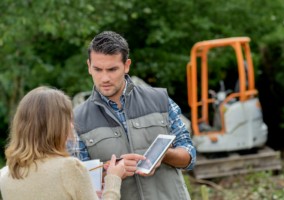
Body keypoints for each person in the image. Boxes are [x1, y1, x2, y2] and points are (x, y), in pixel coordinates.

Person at [72, 31, 196, 200]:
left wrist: (164, 155)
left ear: (127, 65)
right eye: (98, 69)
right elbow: (76, 180)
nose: (105, 78)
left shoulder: (160, 100)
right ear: (89, 66)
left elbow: (190, 156)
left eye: (112, 69)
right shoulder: (76, 120)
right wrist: (111, 171)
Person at [0, 86, 125, 200]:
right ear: (56, 126)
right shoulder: (69, 168)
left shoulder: (6, 174)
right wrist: (113, 179)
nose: (72, 126)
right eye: (68, 120)